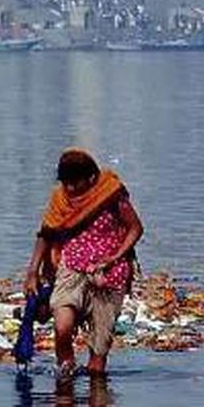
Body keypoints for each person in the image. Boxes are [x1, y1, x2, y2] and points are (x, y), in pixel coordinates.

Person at [27, 148, 144, 383]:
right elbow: (46, 233)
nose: (70, 189)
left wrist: (115, 256)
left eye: (75, 183)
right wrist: (33, 272)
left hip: (108, 275)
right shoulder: (60, 200)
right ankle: (65, 378)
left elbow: (135, 228)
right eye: (65, 183)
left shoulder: (110, 194)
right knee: (62, 326)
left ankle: (95, 397)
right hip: (71, 268)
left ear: (90, 178)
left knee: (98, 354)